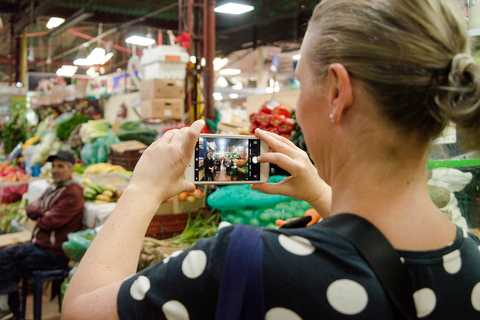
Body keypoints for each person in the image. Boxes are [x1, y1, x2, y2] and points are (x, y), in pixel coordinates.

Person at [62, 0, 480, 318]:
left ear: (337, 92)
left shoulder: (244, 262)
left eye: (299, 84)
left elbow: (81, 310)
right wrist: (318, 190)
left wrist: (144, 188)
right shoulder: (472, 263)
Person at [0, 151, 84, 320]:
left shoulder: (73, 193)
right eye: (53, 166)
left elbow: (49, 222)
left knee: (7, 261)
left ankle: (8, 309)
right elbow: (30, 209)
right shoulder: (53, 188)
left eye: (60, 166)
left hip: (53, 253)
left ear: (71, 168)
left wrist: (41, 213)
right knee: (7, 258)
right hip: (38, 247)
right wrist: (42, 212)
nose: (55, 170)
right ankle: (10, 310)